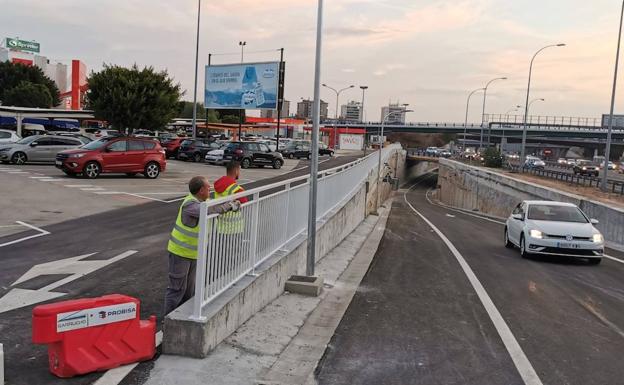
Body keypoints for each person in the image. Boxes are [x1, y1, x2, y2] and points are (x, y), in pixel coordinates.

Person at [164, 175, 240, 315]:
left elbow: (214, 205)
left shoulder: (202, 201)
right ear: (200, 191)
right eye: (207, 187)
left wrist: (230, 202)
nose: (209, 188)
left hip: (193, 253)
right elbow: (210, 210)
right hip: (180, 252)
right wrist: (230, 206)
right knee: (177, 289)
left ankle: (183, 316)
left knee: (188, 290)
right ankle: (167, 320)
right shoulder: (190, 205)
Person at [214, 161, 248, 234]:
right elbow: (246, 204)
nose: (239, 173)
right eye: (239, 170)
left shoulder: (218, 184)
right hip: (234, 229)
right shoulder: (237, 189)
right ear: (236, 171)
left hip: (220, 227)